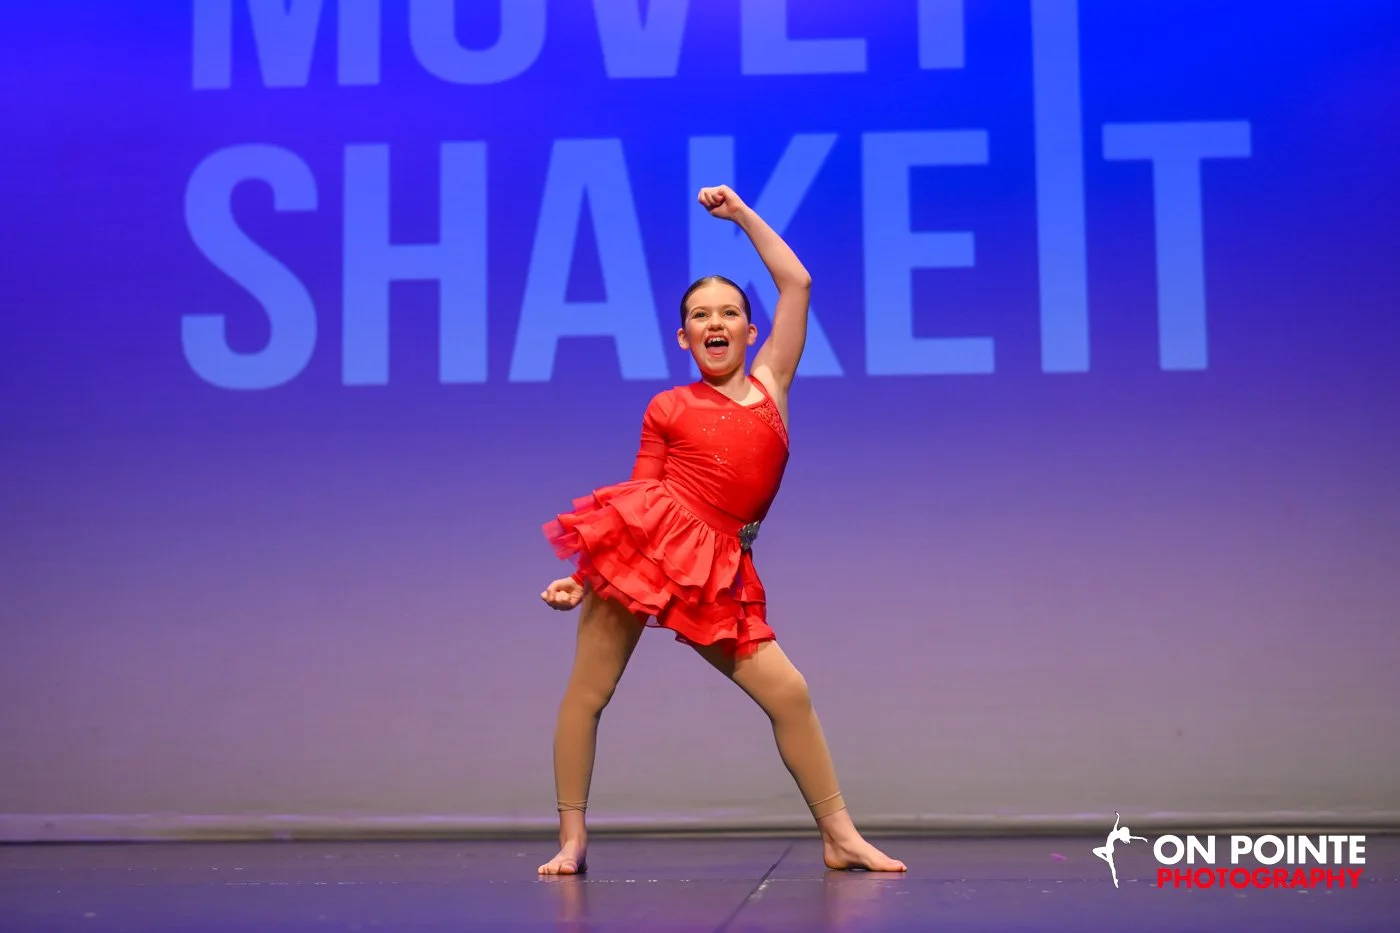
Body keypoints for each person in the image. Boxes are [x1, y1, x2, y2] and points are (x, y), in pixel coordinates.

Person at [536, 185, 905, 875]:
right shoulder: (668, 405)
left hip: (719, 567)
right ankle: (573, 839)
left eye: (729, 312)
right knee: (588, 693)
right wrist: (586, 575)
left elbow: (796, 280)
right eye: (700, 314)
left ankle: (839, 835)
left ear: (749, 330)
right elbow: (640, 495)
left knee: (789, 692)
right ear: (683, 336)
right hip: (649, 553)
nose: (715, 321)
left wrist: (739, 217)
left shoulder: (772, 387)